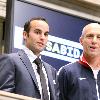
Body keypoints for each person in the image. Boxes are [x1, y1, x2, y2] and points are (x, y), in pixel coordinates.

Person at [0, 17, 57, 100]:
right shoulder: (10, 60)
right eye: (37, 32)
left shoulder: (52, 71)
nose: (42, 37)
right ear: (25, 35)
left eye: (46, 34)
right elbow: (4, 97)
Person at [57, 23, 100, 100]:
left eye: (99, 37)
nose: (94, 41)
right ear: (81, 40)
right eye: (90, 36)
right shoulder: (67, 72)